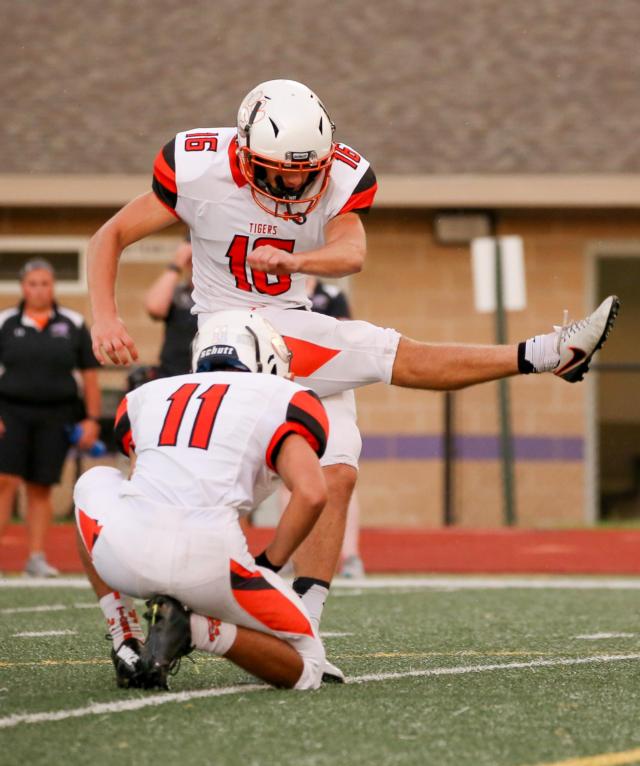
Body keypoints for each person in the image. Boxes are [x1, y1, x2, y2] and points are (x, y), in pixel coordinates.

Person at [86, 78, 620, 670]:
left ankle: (299, 627)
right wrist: (104, 317)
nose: (294, 184)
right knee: (386, 352)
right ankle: (548, 354)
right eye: (279, 172)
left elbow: (352, 252)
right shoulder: (195, 166)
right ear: (242, 153)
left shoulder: (339, 175)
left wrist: (297, 259)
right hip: (231, 328)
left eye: (305, 172)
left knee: (337, 473)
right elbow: (108, 236)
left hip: (293, 320)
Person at [74, 312, 328, 690]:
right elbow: (312, 493)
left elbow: (139, 477)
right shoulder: (283, 397)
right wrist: (270, 562)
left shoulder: (146, 396)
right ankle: (197, 631)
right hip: (213, 566)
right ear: (265, 357)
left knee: (92, 481)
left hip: (125, 556)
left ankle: (124, 635)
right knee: (309, 666)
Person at [0, 259, 101, 577]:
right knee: (4, 480)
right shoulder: (5, 322)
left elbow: (89, 375)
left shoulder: (72, 322)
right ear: (23, 287)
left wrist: (92, 420)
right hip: (10, 413)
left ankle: (36, 558)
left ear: (53, 286)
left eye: (45, 283)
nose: (39, 289)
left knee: (40, 486)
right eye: (33, 283)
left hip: (56, 415)